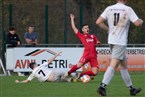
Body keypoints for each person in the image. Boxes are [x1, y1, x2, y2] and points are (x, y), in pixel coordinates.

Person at [96, 0, 143, 96]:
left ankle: (131, 89)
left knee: (124, 66)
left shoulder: (109, 8)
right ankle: (102, 87)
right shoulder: (127, 9)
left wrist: (108, 29)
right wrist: (141, 21)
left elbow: (98, 22)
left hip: (111, 40)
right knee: (114, 64)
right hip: (120, 42)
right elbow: (137, 23)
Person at [63, 14, 101, 79]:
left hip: (93, 56)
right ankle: (68, 73)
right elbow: (74, 28)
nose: (87, 29)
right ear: (82, 30)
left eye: (88, 28)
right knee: (79, 65)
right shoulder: (81, 36)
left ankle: (80, 75)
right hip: (86, 55)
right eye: (85, 28)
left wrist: (98, 43)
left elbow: (98, 43)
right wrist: (72, 19)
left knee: (95, 72)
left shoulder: (93, 36)